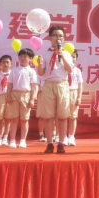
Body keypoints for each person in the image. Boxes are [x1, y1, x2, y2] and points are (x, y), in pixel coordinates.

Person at [37, 25, 74, 154]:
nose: (58, 38)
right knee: (48, 116)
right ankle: (49, 144)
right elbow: (41, 73)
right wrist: (39, 64)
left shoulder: (66, 53)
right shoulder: (45, 53)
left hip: (62, 85)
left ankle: (61, 143)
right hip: (48, 85)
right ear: (50, 37)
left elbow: (70, 70)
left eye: (61, 36)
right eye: (56, 35)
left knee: (62, 116)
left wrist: (62, 56)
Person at [6, 48, 38, 148]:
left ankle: (23, 140)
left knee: (24, 119)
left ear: (30, 58)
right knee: (14, 118)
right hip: (15, 94)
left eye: (25, 56)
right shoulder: (14, 70)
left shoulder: (32, 71)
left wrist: (32, 99)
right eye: (21, 56)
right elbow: (9, 84)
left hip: (26, 95)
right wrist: (8, 95)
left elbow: (34, 86)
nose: (23, 58)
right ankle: (12, 140)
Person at [66, 50, 83, 146]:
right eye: (70, 56)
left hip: (73, 92)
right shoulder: (62, 69)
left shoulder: (77, 71)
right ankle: (63, 137)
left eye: (74, 57)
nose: (72, 58)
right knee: (62, 117)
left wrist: (79, 97)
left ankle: (71, 136)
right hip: (63, 92)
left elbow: (80, 85)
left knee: (73, 117)